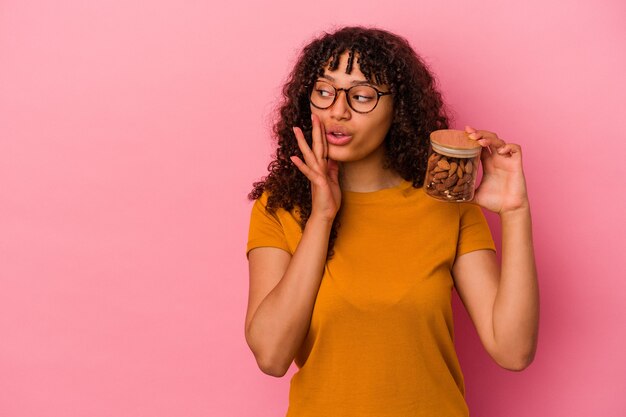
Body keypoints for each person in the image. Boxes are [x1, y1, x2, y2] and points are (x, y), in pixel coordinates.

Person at [244, 26, 539, 417]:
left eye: (362, 96)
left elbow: (513, 350)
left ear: (398, 108)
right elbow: (271, 355)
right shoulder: (279, 207)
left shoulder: (446, 204)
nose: (338, 110)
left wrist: (515, 212)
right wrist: (322, 217)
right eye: (324, 91)